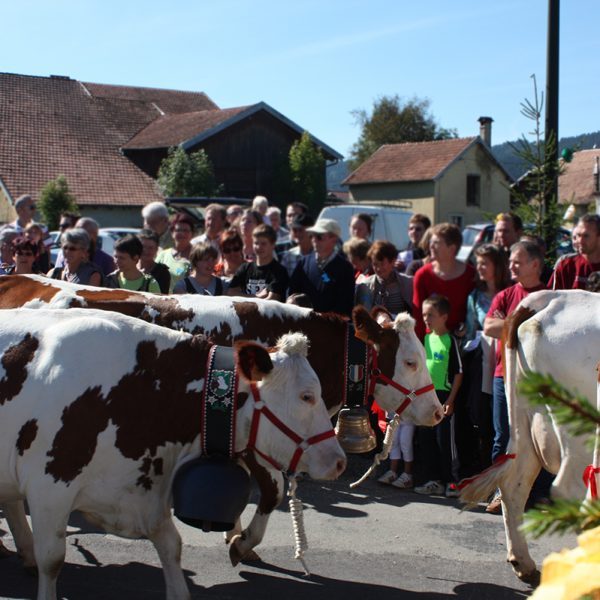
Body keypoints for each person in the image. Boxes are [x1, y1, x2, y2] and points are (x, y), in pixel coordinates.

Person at [483, 240, 546, 513]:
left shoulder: (549, 297)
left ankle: (538, 495)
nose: (511, 266)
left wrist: (509, 325)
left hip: (537, 378)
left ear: (535, 264)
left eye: (517, 262)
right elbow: (489, 326)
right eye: (510, 261)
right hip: (504, 375)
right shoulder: (506, 295)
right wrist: (525, 325)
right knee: (503, 435)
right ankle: (502, 492)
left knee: (538, 435)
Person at [462, 244, 511, 474]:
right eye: (478, 262)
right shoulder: (474, 296)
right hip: (482, 365)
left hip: (507, 362)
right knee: (484, 421)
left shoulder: (510, 292)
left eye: (485, 263)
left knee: (506, 424)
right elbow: (472, 332)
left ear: (497, 266)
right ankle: (486, 471)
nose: (479, 267)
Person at [414, 294, 463, 497]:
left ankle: (452, 482)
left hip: (443, 397)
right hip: (425, 397)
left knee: (445, 443)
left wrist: (450, 401)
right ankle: (433, 481)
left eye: (431, 315)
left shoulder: (450, 340)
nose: (426, 318)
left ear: (444, 316)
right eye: (424, 314)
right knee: (426, 441)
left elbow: (459, 372)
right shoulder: (425, 339)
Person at [412, 223, 476, 340]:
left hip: (461, 342)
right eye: (431, 242)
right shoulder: (422, 275)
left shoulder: (470, 275)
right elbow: (418, 315)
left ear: (452, 248)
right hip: (431, 341)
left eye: (436, 243)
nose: (431, 246)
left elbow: (474, 313)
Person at [288, 218, 355, 317]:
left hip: (330, 327)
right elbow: (292, 292)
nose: (314, 240)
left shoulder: (345, 268)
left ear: (334, 239)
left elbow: (345, 304)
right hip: (302, 322)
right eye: (312, 236)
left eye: (319, 237)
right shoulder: (303, 263)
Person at [227, 224, 288, 301]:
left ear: (273, 245)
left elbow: (272, 299)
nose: (259, 247)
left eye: (263, 244)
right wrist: (257, 296)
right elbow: (231, 293)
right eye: (256, 243)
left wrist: (244, 297)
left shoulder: (279, 271)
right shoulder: (245, 268)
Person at [360, 240, 413, 315]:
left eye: (382, 264)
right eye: (375, 264)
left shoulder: (408, 283)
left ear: (393, 261)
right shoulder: (365, 285)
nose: (378, 268)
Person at [550, 213, 600, 290]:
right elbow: (552, 297)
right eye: (578, 235)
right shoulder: (566, 265)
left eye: (586, 236)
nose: (580, 241)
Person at [155, 213, 194, 292]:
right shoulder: (163, 255)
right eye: (178, 230)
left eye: (186, 230)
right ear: (172, 233)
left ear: (192, 233)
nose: (182, 233)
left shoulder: (197, 256)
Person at [137, 230, 171, 294]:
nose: (146, 251)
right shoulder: (129, 267)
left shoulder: (162, 272)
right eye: (143, 246)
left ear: (156, 249)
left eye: (150, 248)